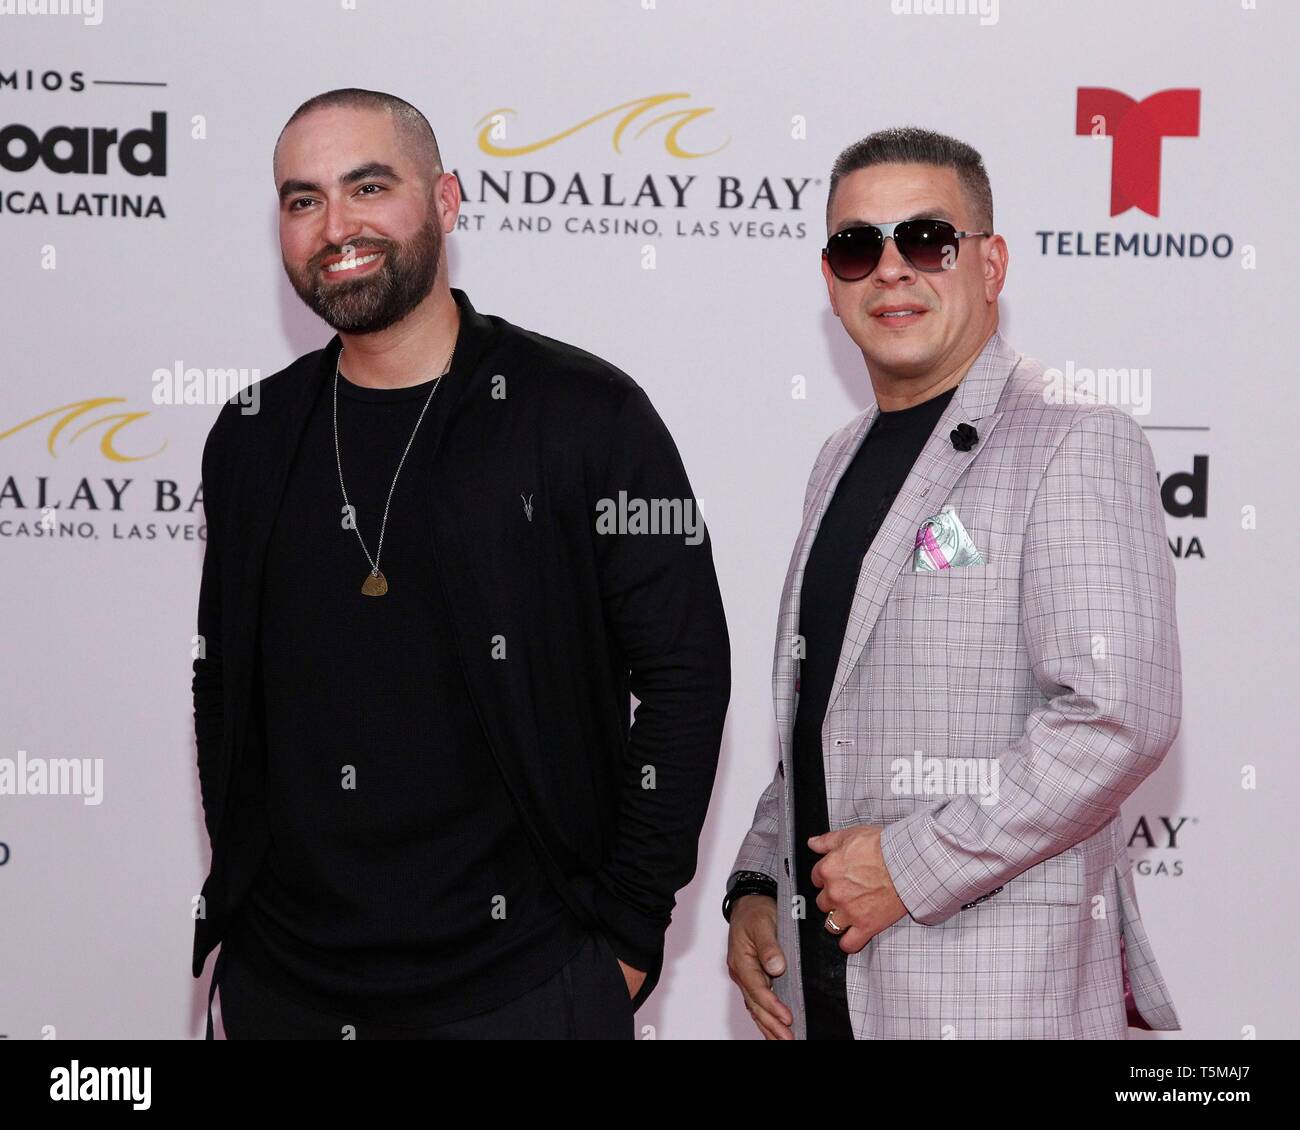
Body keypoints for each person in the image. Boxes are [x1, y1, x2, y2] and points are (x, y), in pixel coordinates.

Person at [190, 88, 730, 1039]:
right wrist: (240, 918)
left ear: (445, 200)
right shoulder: (251, 435)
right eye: (303, 199)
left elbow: (687, 675)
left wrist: (628, 931)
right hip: (287, 986)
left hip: (523, 984)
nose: (337, 225)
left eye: (368, 186)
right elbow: (223, 680)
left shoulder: (585, 415)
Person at [725, 127, 1181, 1040]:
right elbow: (824, 718)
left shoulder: (1071, 438)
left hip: (997, 999)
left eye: (927, 240)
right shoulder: (838, 459)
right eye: (858, 246)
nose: (891, 269)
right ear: (831, 279)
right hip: (832, 995)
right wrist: (756, 882)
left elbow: (1119, 714)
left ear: (991, 262)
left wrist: (910, 865)